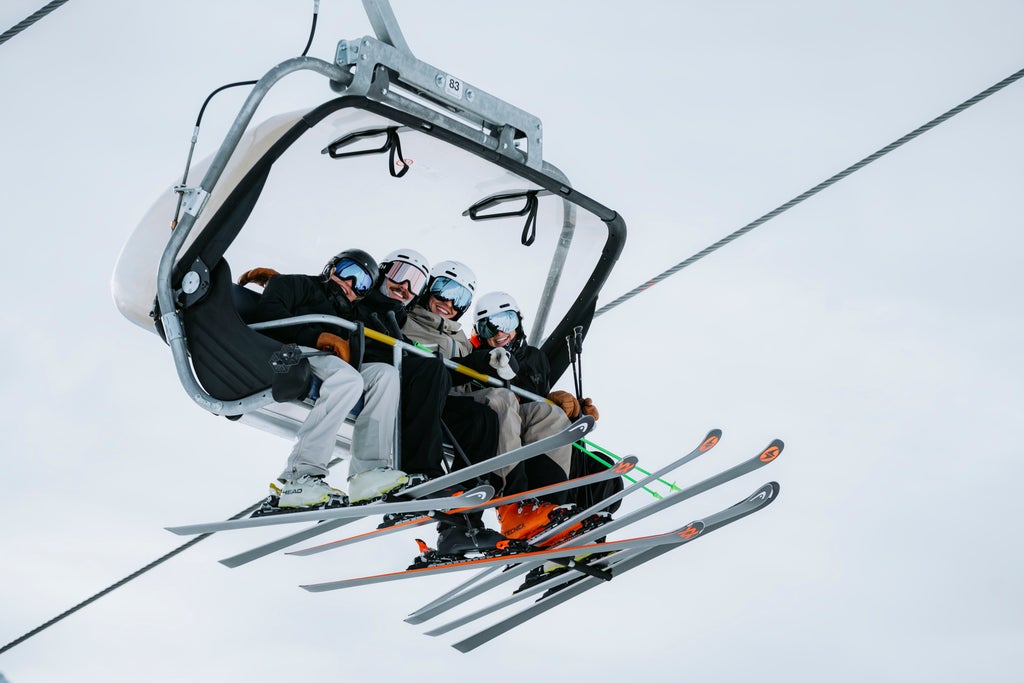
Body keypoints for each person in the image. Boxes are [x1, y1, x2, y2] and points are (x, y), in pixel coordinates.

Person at [245, 249, 408, 507]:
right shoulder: (297, 283)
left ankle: (367, 472)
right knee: (349, 380)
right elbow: (268, 315)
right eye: (348, 271)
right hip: (292, 350)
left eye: (362, 283)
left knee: (385, 375)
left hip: (331, 361)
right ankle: (301, 474)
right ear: (331, 268)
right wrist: (317, 337)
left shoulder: (351, 314)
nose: (351, 284)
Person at [466, 291, 601, 543]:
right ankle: (514, 507)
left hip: (528, 431)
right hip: (497, 427)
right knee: (510, 405)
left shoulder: (536, 358)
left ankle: (557, 516)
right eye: (487, 327)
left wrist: (571, 410)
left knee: (600, 469)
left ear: (518, 321)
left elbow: (536, 403)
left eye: (505, 322)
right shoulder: (477, 360)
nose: (498, 333)